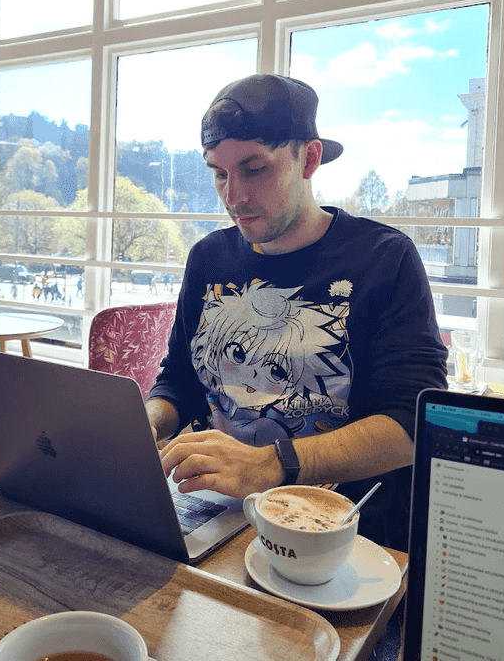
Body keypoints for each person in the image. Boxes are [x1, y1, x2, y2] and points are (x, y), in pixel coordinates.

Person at [145, 73, 447, 551]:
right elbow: (180, 376)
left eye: (254, 168)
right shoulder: (208, 258)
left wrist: (272, 463)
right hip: (214, 518)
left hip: (339, 536)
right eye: (219, 173)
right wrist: (147, 421)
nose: (234, 196)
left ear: (309, 158)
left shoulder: (383, 259)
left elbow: (412, 426)